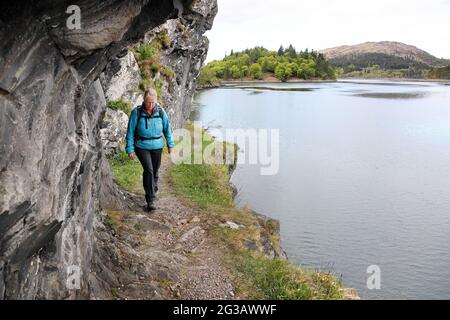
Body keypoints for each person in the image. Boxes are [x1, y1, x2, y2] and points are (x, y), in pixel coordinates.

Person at [125, 88, 175, 212]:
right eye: (148, 102)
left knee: (155, 171)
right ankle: (151, 199)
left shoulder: (161, 112)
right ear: (144, 100)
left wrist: (170, 144)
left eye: (153, 102)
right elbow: (130, 132)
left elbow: (167, 129)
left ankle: (152, 188)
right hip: (141, 146)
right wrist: (130, 149)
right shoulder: (136, 113)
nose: (151, 105)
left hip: (157, 146)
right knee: (149, 170)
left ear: (156, 101)